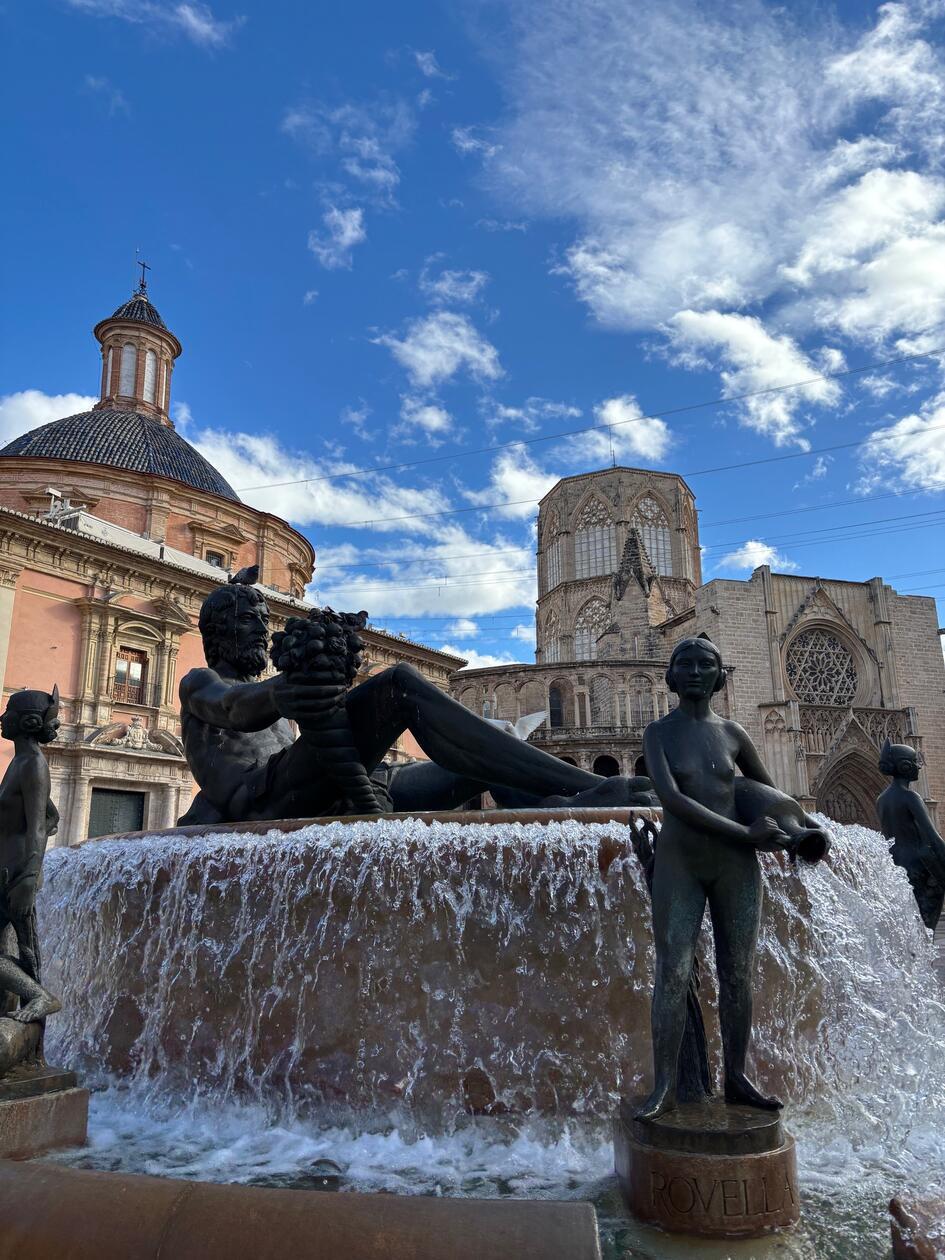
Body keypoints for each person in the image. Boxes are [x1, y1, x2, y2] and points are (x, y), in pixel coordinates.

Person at [179, 572, 646, 824]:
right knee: (397, 685)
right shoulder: (202, 682)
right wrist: (285, 689)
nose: (262, 635)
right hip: (266, 798)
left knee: (472, 762)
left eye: (265, 625)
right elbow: (232, 710)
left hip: (328, 794)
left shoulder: (269, 692)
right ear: (218, 630)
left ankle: (561, 811)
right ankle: (585, 787)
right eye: (250, 623)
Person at [638, 635, 791, 1120]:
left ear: (720, 677)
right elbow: (673, 800)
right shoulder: (658, 734)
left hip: (736, 866)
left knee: (738, 973)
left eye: (706, 664)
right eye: (685, 664)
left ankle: (737, 1077)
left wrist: (793, 827)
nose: (696, 672)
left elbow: (766, 793)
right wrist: (746, 832)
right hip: (681, 862)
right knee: (673, 970)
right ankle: (665, 1084)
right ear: (671, 676)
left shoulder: (733, 733)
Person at [0, 686, 62, 1025]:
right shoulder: (20, 762)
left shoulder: (34, 764)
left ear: (26, 722)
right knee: (22, 951)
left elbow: (39, 825)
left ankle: (39, 997)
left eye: (7, 713)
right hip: (7, 871)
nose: (2, 718)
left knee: (28, 951)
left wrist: (29, 876)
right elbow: (53, 816)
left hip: (15, 875)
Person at [877, 741, 945, 931]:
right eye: (915, 761)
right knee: (926, 928)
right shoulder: (910, 796)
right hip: (920, 866)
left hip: (896, 866)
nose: (919, 766)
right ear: (904, 766)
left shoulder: (881, 799)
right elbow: (932, 837)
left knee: (910, 928)